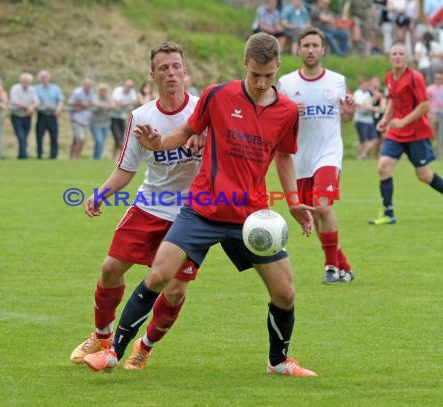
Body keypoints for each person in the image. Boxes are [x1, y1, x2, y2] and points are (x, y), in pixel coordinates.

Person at [83, 32, 318, 377]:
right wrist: (159, 143)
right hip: (202, 209)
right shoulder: (218, 95)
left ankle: (279, 361)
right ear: (245, 65)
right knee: (159, 275)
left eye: (268, 76)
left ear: (278, 68)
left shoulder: (285, 111)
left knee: (284, 291)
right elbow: (186, 130)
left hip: (250, 217)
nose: (260, 82)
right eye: (254, 74)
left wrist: (294, 202)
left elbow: (284, 157)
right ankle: (113, 351)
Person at [70, 41, 203, 369]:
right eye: (164, 68)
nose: (171, 73)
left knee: (174, 292)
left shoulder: (203, 111)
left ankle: (144, 346)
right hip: (149, 206)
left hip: (191, 215)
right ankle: (102, 335)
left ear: (185, 72)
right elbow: (126, 168)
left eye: (176, 66)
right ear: (152, 75)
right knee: (110, 269)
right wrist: (99, 194)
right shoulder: (141, 116)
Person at [277, 27, 356, 285]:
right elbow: (276, 121)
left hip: (328, 153)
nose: (310, 50)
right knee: (316, 213)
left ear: (323, 49)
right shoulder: (287, 84)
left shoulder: (337, 80)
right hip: (300, 158)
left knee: (322, 206)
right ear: (298, 50)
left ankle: (331, 267)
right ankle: (343, 265)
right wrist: (290, 113)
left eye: (315, 45)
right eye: (306, 45)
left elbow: (345, 116)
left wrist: (349, 112)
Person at [369, 42, 443, 225]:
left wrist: (403, 121)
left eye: (401, 53)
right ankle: (388, 213)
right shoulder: (390, 77)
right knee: (383, 167)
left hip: (416, 133)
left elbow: (425, 106)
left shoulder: (416, 77)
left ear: (407, 57)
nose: (398, 56)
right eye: (394, 54)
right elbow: (393, 101)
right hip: (397, 133)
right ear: (390, 57)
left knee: (423, 175)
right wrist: (386, 118)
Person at [9, 72, 39, 159]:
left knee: (25, 136)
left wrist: (32, 107)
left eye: (28, 82)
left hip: (27, 116)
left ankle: (21, 155)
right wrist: (28, 107)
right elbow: (15, 101)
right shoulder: (15, 88)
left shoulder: (32, 89)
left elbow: (37, 101)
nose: (26, 83)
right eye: (24, 81)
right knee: (21, 136)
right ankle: (24, 156)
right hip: (17, 116)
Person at [35, 70, 64, 159]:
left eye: (46, 77)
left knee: (54, 136)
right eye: (42, 78)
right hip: (42, 114)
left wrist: (58, 108)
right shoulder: (36, 88)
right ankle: (40, 155)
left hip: (53, 114)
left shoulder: (55, 88)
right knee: (40, 136)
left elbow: (60, 100)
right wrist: (43, 105)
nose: (44, 79)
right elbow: (34, 100)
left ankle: (53, 155)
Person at [110, 79, 138, 160]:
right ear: (124, 85)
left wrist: (123, 104)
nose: (129, 88)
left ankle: (114, 156)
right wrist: (127, 103)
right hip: (114, 117)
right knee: (118, 138)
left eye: (130, 87)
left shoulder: (132, 92)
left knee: (119, 138)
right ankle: (122, 157)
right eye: (127, 86)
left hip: (122, 117)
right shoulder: (117, 91)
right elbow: (117, 103)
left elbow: (135, 102)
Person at [68, 77, 95, 160]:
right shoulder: (77, 92)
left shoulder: (91, 93)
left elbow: (93, 103)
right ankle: (76, 157)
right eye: (87, 84)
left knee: (75, 140)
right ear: (83, 84)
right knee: (81, 139)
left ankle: (71, 157)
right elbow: (71, 103)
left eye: (90, 85)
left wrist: (87, 105)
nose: (89, 86)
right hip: (77, 120)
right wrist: (81, 104)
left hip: (86, 120)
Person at [89, 83, 114, 160]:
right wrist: (106, 106)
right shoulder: (95, 97)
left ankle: (98, 157)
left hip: (106, 123)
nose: (103, 92)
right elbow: (95, 104)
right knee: (99, 140)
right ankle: (97, 158)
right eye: (101, 90)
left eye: (104, 91)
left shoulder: (109, 98)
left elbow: (113, 105)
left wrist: (105, 106)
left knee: (102, 141)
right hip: (95, 123)